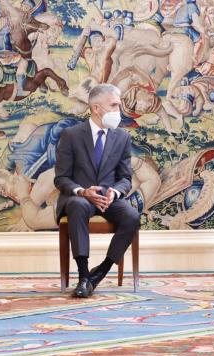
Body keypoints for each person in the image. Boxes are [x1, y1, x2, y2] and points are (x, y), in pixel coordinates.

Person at [54, 84, 140, 298]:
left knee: (132, 216)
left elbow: (125, 178)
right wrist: (82, 191)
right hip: (81, 198)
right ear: (96, 107)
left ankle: (100, 272)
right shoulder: (71, 135)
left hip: (109, 199)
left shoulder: (122, 137)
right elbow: (61, 178)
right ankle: (83, 276)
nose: (118, 111)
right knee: (76, 205)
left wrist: (115, 193)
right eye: (114, 105)